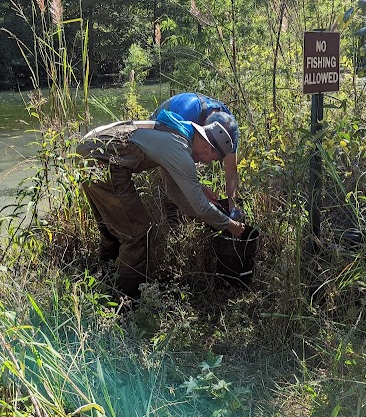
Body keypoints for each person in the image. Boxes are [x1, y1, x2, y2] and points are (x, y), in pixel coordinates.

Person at [76, 110, 246, 299]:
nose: (207, 163)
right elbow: (201, 207)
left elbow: (173, 191)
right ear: (208, 148)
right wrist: (231, 226)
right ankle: (127, 301)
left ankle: (104, 280)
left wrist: (197, 191)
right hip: (102, 159)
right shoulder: (180, 150)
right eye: (212, 159)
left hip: (89, 148)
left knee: (113, 227)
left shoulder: (183, 131)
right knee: (137, 232)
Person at [150, 93, 241, 215]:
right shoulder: (186, 116)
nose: (208, 163)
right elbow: (175, 166)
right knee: (175, 186)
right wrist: (197, 188)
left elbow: (231, 172)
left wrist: (232, 203)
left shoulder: (229, 132)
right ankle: (175, 213)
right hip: (159, 128)